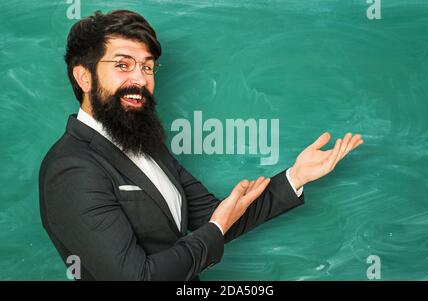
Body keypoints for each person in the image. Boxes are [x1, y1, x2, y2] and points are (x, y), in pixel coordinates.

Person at [38, 9, 363, 281]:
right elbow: (137, 277)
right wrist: (216, 229)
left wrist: (296, 177)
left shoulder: (147, 146)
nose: (140, 79)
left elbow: (216, 215)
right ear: (84, 77)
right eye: (123, 65)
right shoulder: (71, 168)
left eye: (147, 67)